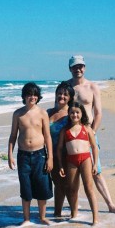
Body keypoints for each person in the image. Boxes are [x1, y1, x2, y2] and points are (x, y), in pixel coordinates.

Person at [67, 55, 115, 214]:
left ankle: (110, 205)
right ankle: (74, 204)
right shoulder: (65, 87)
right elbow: (59, 111)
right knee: (73, 172)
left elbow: (98, 113)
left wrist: (91, 132)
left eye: (81, 66)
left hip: (88, 133)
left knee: (96, 171)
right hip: (70, 135)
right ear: (70, 68)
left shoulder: (92, 87)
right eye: (74, 66)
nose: (78, 69)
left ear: (84, 68)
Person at [8, 82, 54, 226]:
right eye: (29, 94)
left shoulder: (42, 113)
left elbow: (47, 136)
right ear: (24, 96)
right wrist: (10, 155)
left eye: (34, 94)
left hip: (40, 155)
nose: (32, 97)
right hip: (23, 156)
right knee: (26, 188)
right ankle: (26, 219)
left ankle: (42, 217)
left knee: (42, 187)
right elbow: (13, 136)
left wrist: (50, 157)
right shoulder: (18, 114)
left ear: (38, 96)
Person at [57, 102, 99, 226]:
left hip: (85, 159)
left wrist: (95, 164)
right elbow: (59, 148)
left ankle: (95, 218)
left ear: (81, 114)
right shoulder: (65, 130)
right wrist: (60, 165)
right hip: (71, 161)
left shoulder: (87, 128)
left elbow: (94, 147)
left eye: (77, 112)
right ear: (68, 114)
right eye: (72, 112)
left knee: (89, 188)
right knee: (72, 189)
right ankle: (74, 214)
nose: (74, 114)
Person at [47, 81, 75, 217]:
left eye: (65, 94)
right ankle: (57, 213)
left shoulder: (71, 114)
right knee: (58, 184)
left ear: (70, 98)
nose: (61, 96)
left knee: (69, 186)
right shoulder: (47, 113)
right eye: (59, 93)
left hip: (68, 155)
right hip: (52, 155)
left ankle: (74, 214)